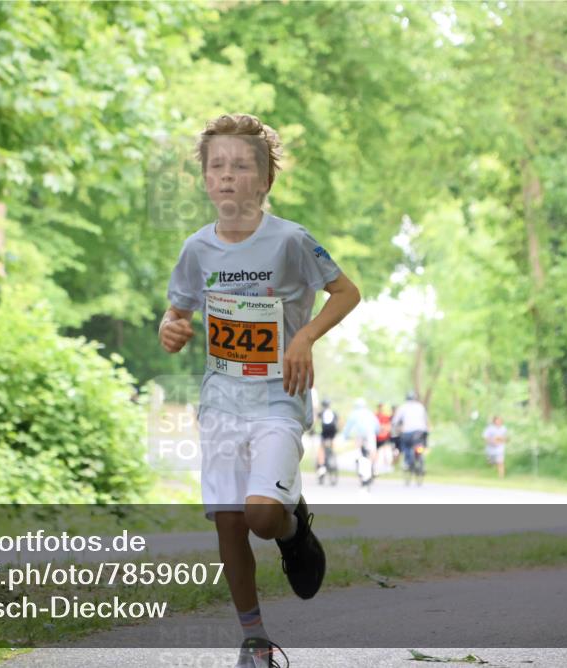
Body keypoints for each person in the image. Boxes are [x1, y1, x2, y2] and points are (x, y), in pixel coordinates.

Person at [159, 113, 362, 667]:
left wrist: (305, 338)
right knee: (229, 519)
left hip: (278, 396)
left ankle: (293, 530)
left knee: (261, 517)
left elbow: (346, 292)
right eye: (217, 166)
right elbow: (176, 313)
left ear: (266, 179)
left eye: (242, 166)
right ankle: (254, 638)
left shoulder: (290, 240)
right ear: (205, 178)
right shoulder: (196, 249)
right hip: (221, 400)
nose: (228, 175)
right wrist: (170, 330)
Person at [341, 398, 381, 488]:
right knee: (372, 451)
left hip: (360, 435)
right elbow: (377, 426)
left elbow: (348, 427)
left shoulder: (354, 413)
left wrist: (345, 436)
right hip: (370, 434)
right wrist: (376, 433)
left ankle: (361, 466)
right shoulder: (369, 413)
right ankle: (374, 468)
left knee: (359, 452)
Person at [392, 391, 429, 473]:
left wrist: (396, 428)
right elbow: (426, 420)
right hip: (421, 431)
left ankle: (407, 462)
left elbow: (395, 421)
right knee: (421, 445)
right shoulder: (420, 406)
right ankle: (421, 459)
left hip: (407, 431)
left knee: (406, 446)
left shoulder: (403, 407)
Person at [316, 399, 339, 483]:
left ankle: (322, 467)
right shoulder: (334, 413)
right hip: (333, 431)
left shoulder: (321, 413)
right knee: (332, 444)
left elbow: (316, 422)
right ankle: (333, 456)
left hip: (325, 431)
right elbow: (337, 423)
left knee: (321, 448)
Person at [374, 402, 392, 472]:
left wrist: (383, 428)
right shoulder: (375, 416)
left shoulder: (385, 417)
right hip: (377, 437)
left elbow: (388, 427)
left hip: (384, 437)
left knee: (385, 452)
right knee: (377, 452)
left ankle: (387, 466)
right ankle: (375, 467)